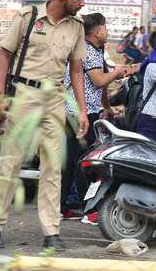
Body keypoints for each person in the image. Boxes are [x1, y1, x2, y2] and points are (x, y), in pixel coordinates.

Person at [0, 0, 91, 252]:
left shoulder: (77, 26)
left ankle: (51, 231)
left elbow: (77, 71)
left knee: (53, 167)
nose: (83, 3)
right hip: (23, 95)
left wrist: (82, 110)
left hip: (55, 98)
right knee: (11, 162)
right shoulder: (28, 16)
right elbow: (4, 55)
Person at [60, 13, 135, 223]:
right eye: (105, 27)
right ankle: (88, 210)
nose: (107, 31)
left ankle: (65, 206)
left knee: (75, 160)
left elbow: (97, 85)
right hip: (79, 113)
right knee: (86, 162)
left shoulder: (94, 51)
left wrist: (107, 106)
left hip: (83, 111)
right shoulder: (88, 51)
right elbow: (99, 79)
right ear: (98, 31)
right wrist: (118, 72)